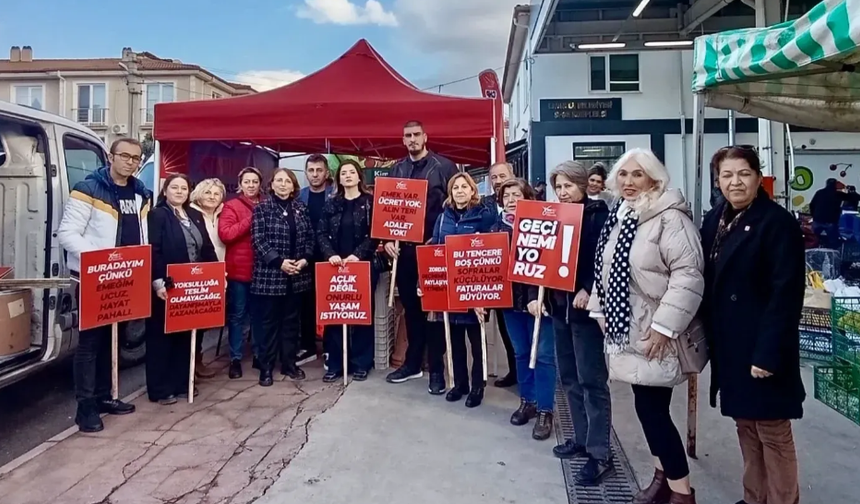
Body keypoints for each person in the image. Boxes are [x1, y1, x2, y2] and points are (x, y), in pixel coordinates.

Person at [587, 148, 704, 504]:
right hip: (627, 328)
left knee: (653, 411)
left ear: (654, 178)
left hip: (656, 332)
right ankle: (662, 478)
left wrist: (664, 327)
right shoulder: (621, 216)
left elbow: (688, 276)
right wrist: (600, 310)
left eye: (637, 175)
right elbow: (603, 269)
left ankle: (682, 493)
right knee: (644, 408)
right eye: (623, 174)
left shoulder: (670, 219)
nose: (629, 182)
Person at [701, 146, 805, 504]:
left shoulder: (776, 223)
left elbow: (786, 294)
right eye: (727, 175)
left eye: (743, 174)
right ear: (717, 181)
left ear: (758, 177)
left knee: (773, 430)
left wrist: (768, 353)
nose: (735, 182)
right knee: (746, 426)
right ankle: (754, 496)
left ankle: (782, 499)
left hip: (763, 346)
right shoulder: (715, 219)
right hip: (731, 346)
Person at [57, 138, 151, 433]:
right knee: (90, 344)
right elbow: (67, 233)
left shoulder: (140, 193)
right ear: (110, 156)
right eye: (125, 156)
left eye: (136, 158)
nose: (131, 162)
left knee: (115, 340)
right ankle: (85, 408)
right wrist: (101, 262)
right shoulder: (89, 188)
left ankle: (104, 396)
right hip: (96, 279)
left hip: (127, 279)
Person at [548, 162, 613, 485]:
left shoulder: (598, 216)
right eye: (558, 186)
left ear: (583, 186)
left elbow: (607, 259)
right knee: (570, 378)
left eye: (568, 186)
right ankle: (582, 437)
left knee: (592, 382)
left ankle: (600, 453)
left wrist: (589, 286)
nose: (562, 192)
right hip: (559, 308)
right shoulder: (553, 216)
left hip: (586, 313)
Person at [383, 120, 459, 395]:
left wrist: (439, 238)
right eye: (407, 136)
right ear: (403, 140)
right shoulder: (396, 169)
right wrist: (387, 239)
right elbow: (387, 210)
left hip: (433, 249)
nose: (412, 139)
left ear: (425, 137)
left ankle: (436, 370)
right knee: (412, 311)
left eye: (416, 135)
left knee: (434, 310)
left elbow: (453, 206)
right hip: (403, 251)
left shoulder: (444, 167)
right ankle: (412, 363)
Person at [146, 174, 219, 404]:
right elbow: (153, 250)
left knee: (186, 336)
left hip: (192, 285)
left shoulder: (195, 215)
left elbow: (206, 247)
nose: (179, 192)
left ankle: (181, 383)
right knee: (162, 337)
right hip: (166, 285)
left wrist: (217, 275)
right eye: (174, 187)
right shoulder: (157, 215)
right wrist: (157, 281)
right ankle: (160, 388)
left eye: (184, 188)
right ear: (165, 191)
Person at [427, 173, 496, 407]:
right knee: (454, 338)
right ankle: (460, 383)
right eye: (455, 187)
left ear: (472, 190)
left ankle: (478, 386)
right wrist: (424, 283)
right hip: (449, 286)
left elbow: (491, 248)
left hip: (475, 286)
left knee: (476, 340)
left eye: (464, 187)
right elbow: (434, 248)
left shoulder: (484, 215)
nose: (459, 191)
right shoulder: (443, 217)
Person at [495, 178, 556, 440]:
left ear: (527, 196)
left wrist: (536, 295)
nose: (510, 199)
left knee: (542, 355)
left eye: (516, 193)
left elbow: (549, 263)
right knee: (521, 353)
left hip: (540, 302)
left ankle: (545, 409)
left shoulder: (543, 225)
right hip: (510, 302)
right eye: (506, 195)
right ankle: (527, 401)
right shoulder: (497, 227)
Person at [251, 168, 315, 386]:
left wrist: (305, 259)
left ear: (293, 185)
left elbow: (310, 238)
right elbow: (259, 241)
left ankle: (289, 364)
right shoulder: (262, 209)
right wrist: (280, 262)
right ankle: (266, 367)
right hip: (271, 276)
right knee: (269, 324)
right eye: (279, 180)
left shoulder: (301, 208)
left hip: (297, 276)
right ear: (271, 184)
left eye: (287, 181)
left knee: (291, 324)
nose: (283, 184)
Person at [317, 160, 379, 382]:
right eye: (344, 173)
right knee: (335, 314)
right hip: (335, 266)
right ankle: (335, 363)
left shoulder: (370, 202)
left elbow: (375, 233)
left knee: (362, 315)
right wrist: (329, 254)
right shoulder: (331, 203)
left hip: (362, 265)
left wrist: (358, 255)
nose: (348, 176)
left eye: (352, 172)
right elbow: (321, 233)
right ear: (338, 178)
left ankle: (362, 363)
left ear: (359, 177)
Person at [218, 167, 263, 379]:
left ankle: (258, 354)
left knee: (259, 316)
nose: (251, 185)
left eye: (255, 181)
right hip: (238, 270)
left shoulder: (267, 203)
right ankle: (235, 358)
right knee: (237, 316)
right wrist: (251, 219)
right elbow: (226, 234)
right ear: (240, 184)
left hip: (261, 269)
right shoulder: (231, 206)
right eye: (247, 182)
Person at [480, 162, 518, 389]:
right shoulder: (484, 204)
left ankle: (519, 373)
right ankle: (493, 372)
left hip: (519, 279)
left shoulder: (525, 201)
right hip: (490, 274)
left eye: (502, 176)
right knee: (502, 328)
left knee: (514, 331)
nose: (497, 181)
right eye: (493, 178)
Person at [298, 154, 334, 364]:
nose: (315, 174)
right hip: (306, 258)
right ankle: (308, 346)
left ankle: (330, 346)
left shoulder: (335, 195)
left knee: (331, 302)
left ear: (326, 172)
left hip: (330, 257)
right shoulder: (299, 197)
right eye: (311, 170)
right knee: (306, 303)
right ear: (306, 173)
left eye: (319, 170)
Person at [189, 177, 226, 379]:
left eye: (216, 193)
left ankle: (198, 359)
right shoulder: (191, 213)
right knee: (193, 319)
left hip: (219, 268)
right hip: (198, 272)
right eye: (208, 192)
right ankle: (190, 363)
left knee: (205, 319)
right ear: (198, 194)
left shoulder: (223, 212)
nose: (212, 197)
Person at [809, 178, 842, 249]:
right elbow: (854, 198)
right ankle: (832, 256)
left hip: (817, 220)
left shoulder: (819, 192)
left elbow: (812, 204)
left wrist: (814, 215)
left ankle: (812, 255)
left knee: (812, 240)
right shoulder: (838, 194)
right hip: (831, 222)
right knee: (833, 243)